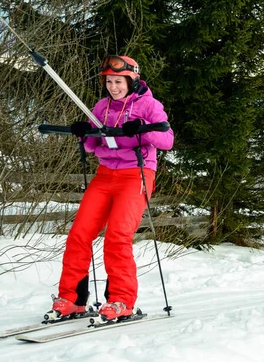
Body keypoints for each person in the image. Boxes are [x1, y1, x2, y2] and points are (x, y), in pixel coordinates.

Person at [50, 55, 174, 322]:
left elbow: (166, 140)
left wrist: (142, 130)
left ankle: (121, 300)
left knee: (117, 236)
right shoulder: (101, 106)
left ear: (132, 80)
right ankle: (71, 300)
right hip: (105, 175)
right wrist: (84, 134)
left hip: (136, 175)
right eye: (109, 81)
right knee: (79, 234)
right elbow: (95, 146)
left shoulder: (149, 105)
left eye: (119, 81)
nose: (113, 87)